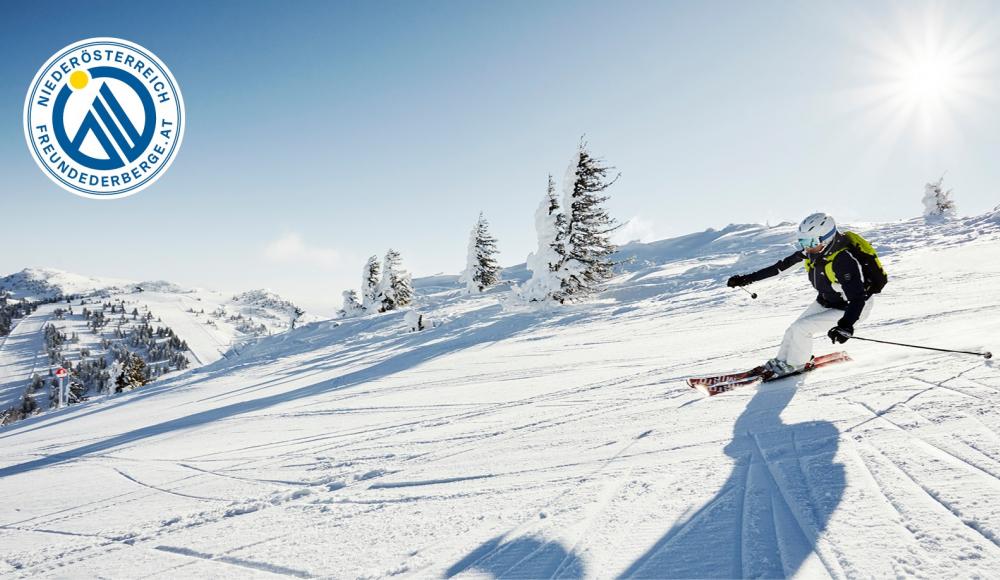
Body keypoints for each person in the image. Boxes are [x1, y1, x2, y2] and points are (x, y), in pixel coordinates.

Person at [727, 213, 888, 378]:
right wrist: (746, 279)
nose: (806, 246)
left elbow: (857, 298)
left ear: (826, 238)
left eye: (811, 242)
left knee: (802, 329)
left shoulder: (843, 260)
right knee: (793, 329)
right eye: (803, 242)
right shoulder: (811, 252)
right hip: (827, 301)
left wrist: (846, 325)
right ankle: (782, 361)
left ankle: (795, 365)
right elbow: (779, 269)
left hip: (852, 308)